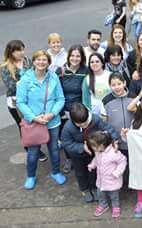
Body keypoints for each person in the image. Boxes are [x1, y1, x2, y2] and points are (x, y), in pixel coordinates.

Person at [16, 50, 67, 190]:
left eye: (44, 60)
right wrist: (33, 117)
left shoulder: (53, 78)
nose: (41, 62)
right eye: (38, 59)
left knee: (54, 149)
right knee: (33, 152)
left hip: (52, 121)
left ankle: (56, 172)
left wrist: (52, 113)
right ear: (33, 61)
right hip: (33, 123)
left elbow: (60, 99)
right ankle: (30, 176)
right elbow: (20, 102)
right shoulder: (26, 79)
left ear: (48, 62)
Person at [62, 103, 121, 202]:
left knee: (94, 171)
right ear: (73, 121)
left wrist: (114, 139)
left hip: (94, 152)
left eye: (85, 123)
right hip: (77, 155)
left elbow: (108, 129)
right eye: (80, 124)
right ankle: (84, 189)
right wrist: (81, 147)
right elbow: (66, 143)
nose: (84, 126)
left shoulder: (96, 119)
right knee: (80, 173)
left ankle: (94, 187)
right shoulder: (68, 127)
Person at [1, 40, 48, 162]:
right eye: (18, 50)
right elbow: (11, 86)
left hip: (31, 99)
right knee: (23, 126)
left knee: (34, 123)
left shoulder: (27, 60)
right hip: (15, 103)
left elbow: (35, 74)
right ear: (11, 52)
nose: (21, 53)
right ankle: (32, 150)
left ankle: (37, 144)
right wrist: (28, 83)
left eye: (22, 49)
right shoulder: (5, 67)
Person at [57, 45, 88, 173]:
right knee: (67, 137)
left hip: (80, 110)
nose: (75, 58)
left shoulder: (85, 71)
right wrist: (62, 111)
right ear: (68, 56)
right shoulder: (61, 71)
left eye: (78, 56)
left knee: (82, 136)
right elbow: (56, 92)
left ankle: (84, 158)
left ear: (82, 58)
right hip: (64, 110)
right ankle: (69, 159)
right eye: (73, 55)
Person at [87, 131, 127, 218]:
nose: (92, 148)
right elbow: (96, 159)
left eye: (94, 146)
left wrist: (117, 172)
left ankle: (115, 207)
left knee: (114, 196)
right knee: (100, 194)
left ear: (101, 145)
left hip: (112, 180)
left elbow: (123, 161)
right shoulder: (98, 152)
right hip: (101, 181)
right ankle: (103, 205)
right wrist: (92, 165)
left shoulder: (113, 153)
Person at [101, 73, 135, 157]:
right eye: (113, 85)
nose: (117, 87)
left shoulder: (133, 97)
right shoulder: (106, 101)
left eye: (119, 84)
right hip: (115, 142)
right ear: (109, 86)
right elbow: (103, 122)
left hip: (133, 140)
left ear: (124, 83)